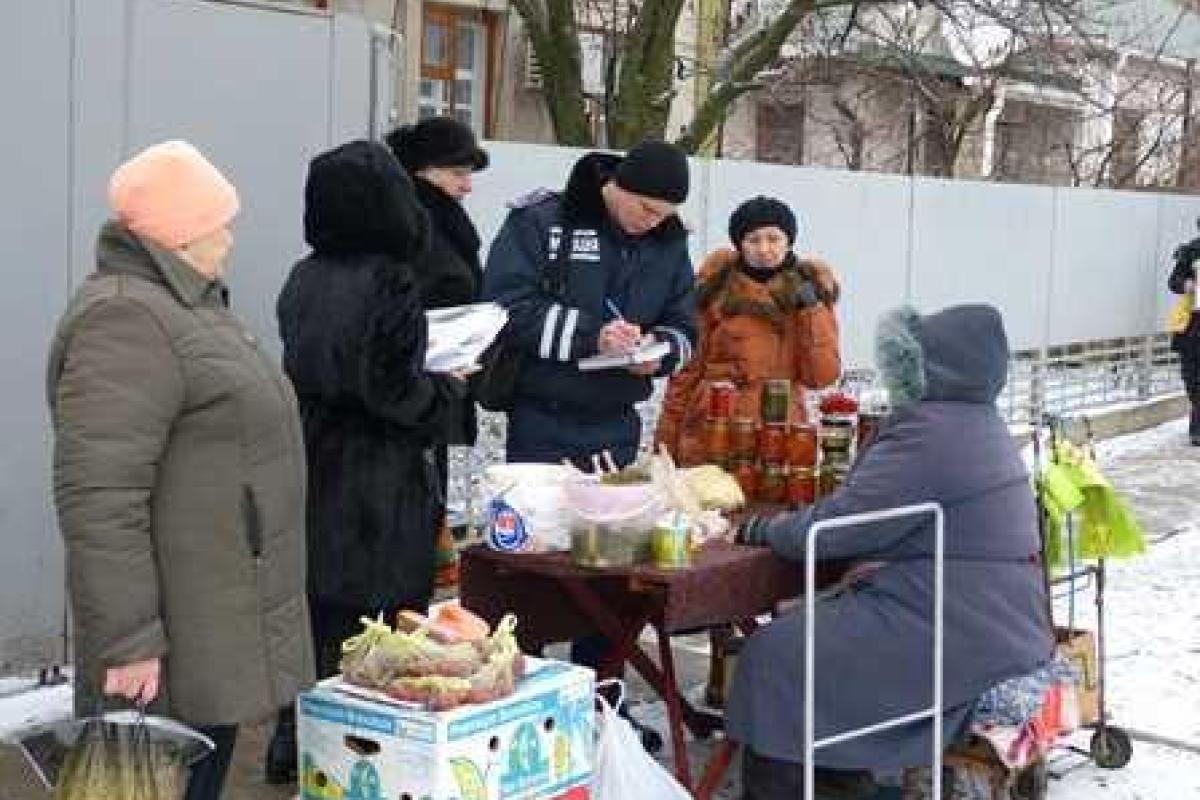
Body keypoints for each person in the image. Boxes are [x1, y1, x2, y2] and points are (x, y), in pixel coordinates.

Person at [47, 140, 314, 800]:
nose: (228, 236)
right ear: (180, 232)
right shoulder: (127, 317)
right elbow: (100, 498)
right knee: (165, 784)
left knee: (205, 776)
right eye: (218, 220)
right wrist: (130, 641)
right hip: (176, 633)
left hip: (216, 612)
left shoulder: (189, 307)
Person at [730, 304, 1054, 799]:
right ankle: (839, 771)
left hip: (957, 626)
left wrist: (760, 530)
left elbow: (841, 528)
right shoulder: (975, 420)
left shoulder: (933, 429)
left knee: (775, 654)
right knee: (808, 644)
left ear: (935, 365)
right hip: (993, 617)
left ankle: (802, 785)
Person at [266, 140, 467, 781]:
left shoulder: (304, 275)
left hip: (312, 459)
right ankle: (360, 757)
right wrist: (449, 388)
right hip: (379, 479)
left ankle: (291, 741)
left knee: (317, 610)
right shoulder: (391, 278)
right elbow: (393, 391)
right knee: (377, 622)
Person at [481, 138, 698, 469]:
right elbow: (505, 306)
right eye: (647, 209)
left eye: (665, 215)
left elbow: (684, 325)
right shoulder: (543, 220)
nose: (653, 222)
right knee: (544, 518)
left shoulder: (668, 241)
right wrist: (593, 338)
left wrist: (659, 351)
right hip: (542, 417)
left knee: (614, 520)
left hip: (620, 421)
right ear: (619, 187)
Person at [655, 195, 841, 464]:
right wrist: (665, 447)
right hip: (714, 426)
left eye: (774, 238)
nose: (764, 249)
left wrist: (811, 311)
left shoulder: (810, 293)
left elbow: (821, 377)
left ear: (789, 241)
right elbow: (685, 374)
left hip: (778, 431)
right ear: (739, 245)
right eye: (753, 240)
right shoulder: (713, 291)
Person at [386, 117, 488, 570]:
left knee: (430, 499)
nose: (467, 186)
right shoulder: (416, 223)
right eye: (457, 173)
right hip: (421, 384)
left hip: (441, 378)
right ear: (423, 172)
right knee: (418, 502)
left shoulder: (439, 219)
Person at [1168, 218, 1200, 445]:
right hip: (1193, 323)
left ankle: (1197, 430)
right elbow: (1173, 281)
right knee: (1192, 377)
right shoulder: (1191, 252)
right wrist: (1186, 284)